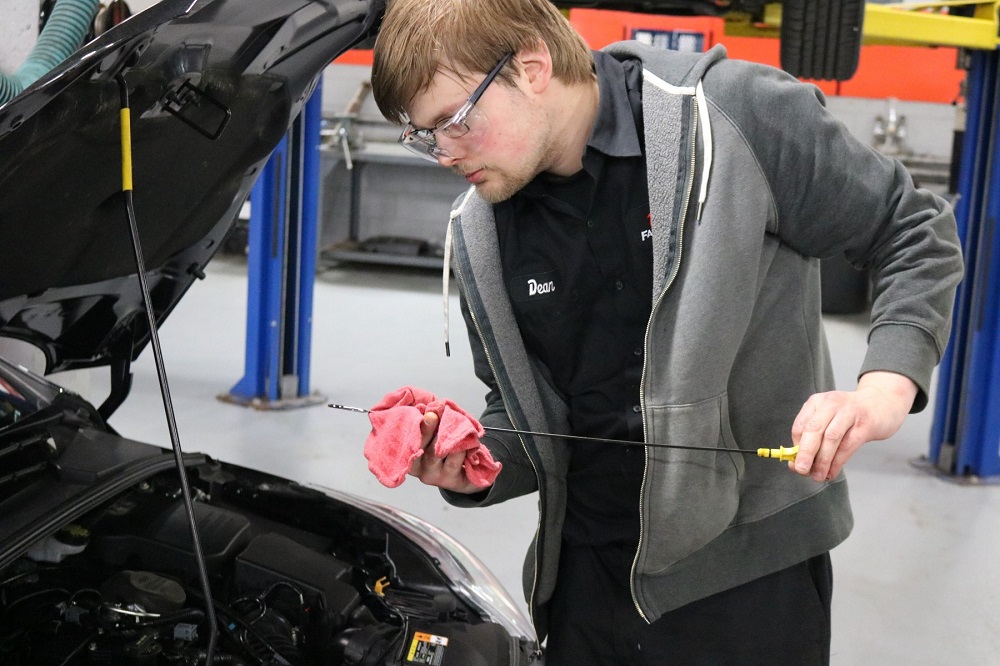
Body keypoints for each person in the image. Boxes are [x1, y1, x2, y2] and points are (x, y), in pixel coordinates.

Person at [368, 0, 964, 663]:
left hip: (748, 576)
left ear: (531, 67)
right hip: (586, 581)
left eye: (452, 123)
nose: (443, 155)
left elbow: (912, 231)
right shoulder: (480, 228)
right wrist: (471, 460)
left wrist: (882, 391)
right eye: (424, 137)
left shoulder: (735, 116)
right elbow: (522, 413)